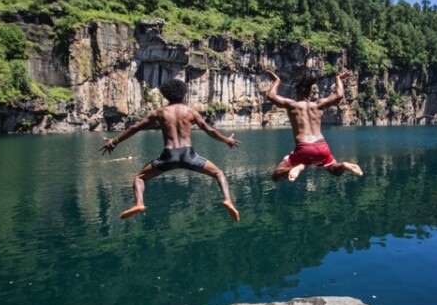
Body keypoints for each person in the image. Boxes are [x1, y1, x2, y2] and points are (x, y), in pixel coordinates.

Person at [100, 78, 240, 221]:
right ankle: (227, 200)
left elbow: (135, 128)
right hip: (188, 155)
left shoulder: (160, 112)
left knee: (139, 178)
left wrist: (115, 141)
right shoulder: (190, 112)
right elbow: (210, 130)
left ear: (165, 95)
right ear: (183, 94)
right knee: (218, 173)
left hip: (169, 155)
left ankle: (139, 203)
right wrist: (226, 140)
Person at [265, 68, 363, 182]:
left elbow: (271, 96)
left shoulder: (292, 105)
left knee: (276, 175)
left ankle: (299, 167)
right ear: (310, 94)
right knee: (335, 170)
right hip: (321, 146)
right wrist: (338, 79)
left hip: (303, 148)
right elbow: (339, 94)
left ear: (297, 92)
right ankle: (345, 165)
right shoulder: (319, 104)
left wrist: (277, 80)